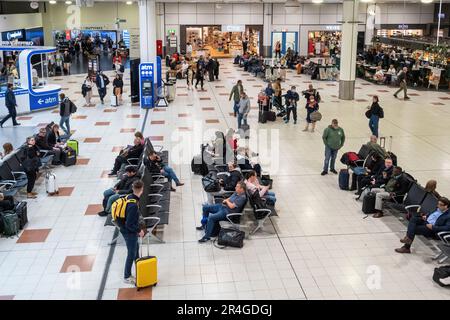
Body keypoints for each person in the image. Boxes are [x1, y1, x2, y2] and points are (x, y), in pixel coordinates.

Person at [117, 180, 146, 284]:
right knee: (131, 253)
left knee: (135, 249)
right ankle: (127, 276)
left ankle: (139, 268)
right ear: (141, 190)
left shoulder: (130, 196)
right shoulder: (133, 205)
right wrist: (139, 230)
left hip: (126, 228)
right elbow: (129, 224)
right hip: (128, 231)